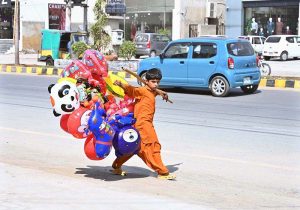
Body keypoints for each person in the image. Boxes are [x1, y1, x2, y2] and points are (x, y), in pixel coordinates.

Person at [111, 68, 176, 180]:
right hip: (143, 124)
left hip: (144, 123)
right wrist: (121, 84)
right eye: (153, 82)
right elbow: (132, 90)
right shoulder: (142, 91)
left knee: (134, 147)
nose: (156, 84)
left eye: (158, 82)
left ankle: (116, 166)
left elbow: (155, 91)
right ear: (146, 81)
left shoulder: (151, 91)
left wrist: (161, 92)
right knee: (153, 145)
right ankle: (162, 172)